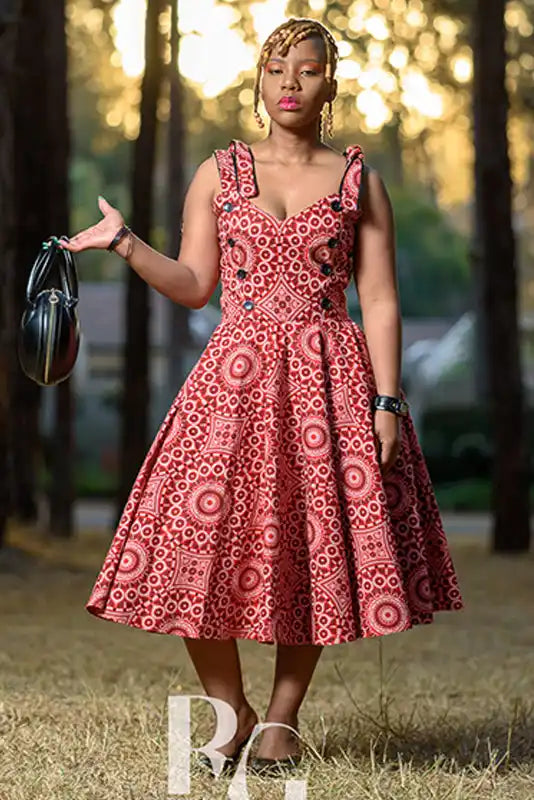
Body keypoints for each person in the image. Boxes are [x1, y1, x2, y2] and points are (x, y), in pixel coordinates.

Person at [61, 17, 464, 778]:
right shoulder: (220, 171)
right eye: (276, 69)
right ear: (256, 81)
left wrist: (388, 401)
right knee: (191, 543)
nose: (290, 83)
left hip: (331, 381)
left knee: (309, 553)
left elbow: (378, 300)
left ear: (329, 85)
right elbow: (193, 285)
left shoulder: (357, 178)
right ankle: (230, 710)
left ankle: (280, 718)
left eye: (306, 71)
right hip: (233, 379)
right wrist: (123, 243)